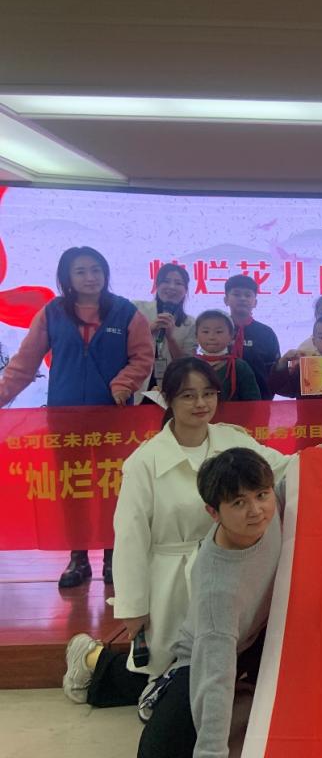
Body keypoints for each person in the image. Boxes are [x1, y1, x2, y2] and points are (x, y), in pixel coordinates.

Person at [61, 358, 293, 715]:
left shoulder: (233, 440)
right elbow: (131, 538)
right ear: (167, 399)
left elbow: (282, 467)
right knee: (169, 671)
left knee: (211, 664)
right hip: (172, 581)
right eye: (188, 395)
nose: (201, 403)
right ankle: (90, 658)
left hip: (226, 575)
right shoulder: (145, 461)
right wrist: (133, 607)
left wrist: (318, 460)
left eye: (208, 393)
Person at [0, 246, 154, 588]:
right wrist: (3, 394)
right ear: (67, 277)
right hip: (65, 420)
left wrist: (123, 383)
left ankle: (114, 557)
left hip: (114, 420)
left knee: (114, 488)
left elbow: (143, 358)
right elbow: (24, 364)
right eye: (81, 271)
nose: (90, 277)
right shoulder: (52, 313)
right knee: (73, 489)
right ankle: (78, 559)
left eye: (96, 270)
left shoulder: (126, 312)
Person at [135, 448, 287, 758]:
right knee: (159, 750)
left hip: (259, 638)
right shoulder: (218, 589)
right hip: (203, 655)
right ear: (213, 512)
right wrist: (212, 751)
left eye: (261, 495)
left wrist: (321, 460)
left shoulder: (274, 508)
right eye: (239, 503)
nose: (256, 510)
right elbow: (215, 676)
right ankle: (98, 664)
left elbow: (299, 483)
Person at [133, 263, 197, 400]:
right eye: (166, 281)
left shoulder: (190, 323)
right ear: (157, 285)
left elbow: (186, 364)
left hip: (170, 389)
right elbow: (122, 344)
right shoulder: (137, 309)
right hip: (136, 386)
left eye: (178, 283)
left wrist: (171, 338)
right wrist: (149, 329)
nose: (171, 287)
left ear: (185, 290)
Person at [223, 274, 280, 400]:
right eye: (236, 294)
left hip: (259, 401)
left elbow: (274, 371)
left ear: (255, 302)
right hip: (222, 401)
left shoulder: (266, 333)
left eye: (248, 295)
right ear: (226, 300)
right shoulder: (217, 330)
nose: (242, 298)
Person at [194, 310, 262, 401]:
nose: (211, 337)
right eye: (205, 332)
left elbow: (253, 402)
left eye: (219, 332)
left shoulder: (239, 367)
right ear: (196, 336)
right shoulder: (189, 366)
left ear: (231, 336)